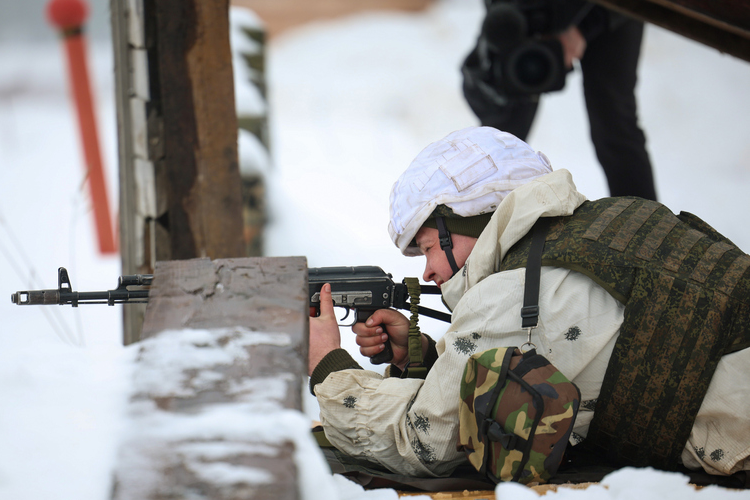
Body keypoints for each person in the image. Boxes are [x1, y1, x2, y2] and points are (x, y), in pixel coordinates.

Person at [308, 126, 750, 481]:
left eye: (427, 248)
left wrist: (329, 366)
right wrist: (421, 357)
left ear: (468, 221)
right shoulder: (599, 228)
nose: (427, 272)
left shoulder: (513, 294)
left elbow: (422, 443)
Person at [462, 0, 657, 201]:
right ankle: (480, 209)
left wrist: (584, 29)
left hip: (614, 4)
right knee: (502, 128)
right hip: (531, 3)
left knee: (614, 124)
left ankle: (644, 218)